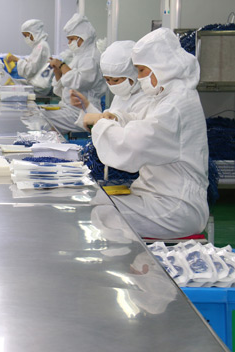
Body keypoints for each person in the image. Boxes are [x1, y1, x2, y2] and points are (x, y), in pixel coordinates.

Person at [84, 28, 209, 239]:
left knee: (101, 213)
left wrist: (101, 125)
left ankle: (133, 259)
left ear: (162, 67)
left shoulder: (175, 105)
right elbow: (142, 121)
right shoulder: (168, 97)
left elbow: (133, 145)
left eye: (142, 70)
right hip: (156, 196)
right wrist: (116, 118)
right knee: (99, 203)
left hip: (175, 207)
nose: (139, 77)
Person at [44, 13, 106, 133]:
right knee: (41, 115)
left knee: (44, 120)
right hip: (70, 109)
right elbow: (64, 87)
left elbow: (78, 82)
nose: (69, 43)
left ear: (84, 37)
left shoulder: (91, 57)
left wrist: (61, 65)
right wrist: (57, 71)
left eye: (72, 39)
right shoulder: (79, 56)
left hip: (82, 113)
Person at [69, 40, 153, 129]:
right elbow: (107, 120)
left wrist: (108, 119)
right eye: (107, 79)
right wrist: (86, 105)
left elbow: (124, 131)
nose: (111, 84)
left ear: (133, 74)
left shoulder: (145, 99)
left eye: (115, 80)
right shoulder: (121, 95)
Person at [4, 19, 52, 95]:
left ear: (34, 33)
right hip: (35, 82)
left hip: (38, 87)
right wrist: (21, 60)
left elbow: (31, 70)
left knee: (10, 86)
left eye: (26, 35)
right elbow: (33, 62)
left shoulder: (41, 46)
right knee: (11, 83)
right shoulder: (38, 46)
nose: (26, 38)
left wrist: (17, 60)